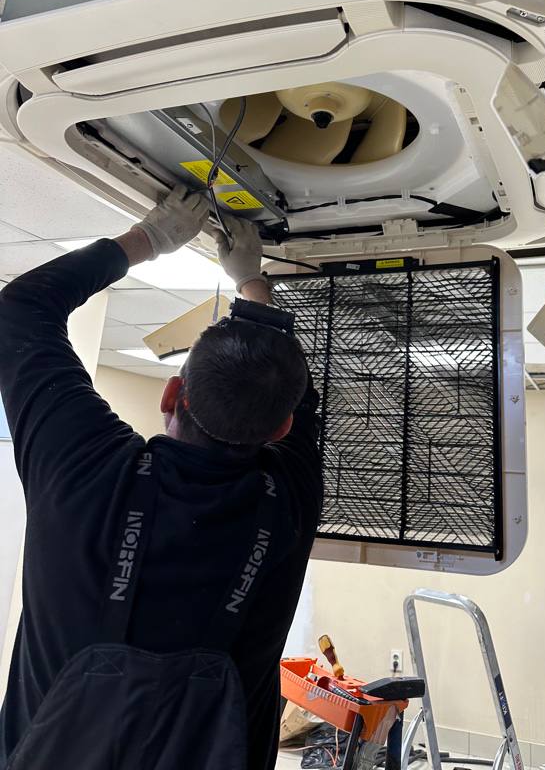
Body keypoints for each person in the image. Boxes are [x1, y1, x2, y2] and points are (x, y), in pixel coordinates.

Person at [0, 186, 322, 770]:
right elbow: (293, 399)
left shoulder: (85, 467)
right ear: (279, 429)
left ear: (172, 394)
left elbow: (20, 310)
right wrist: (248, 284)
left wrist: (154, 239)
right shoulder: (287, 503)